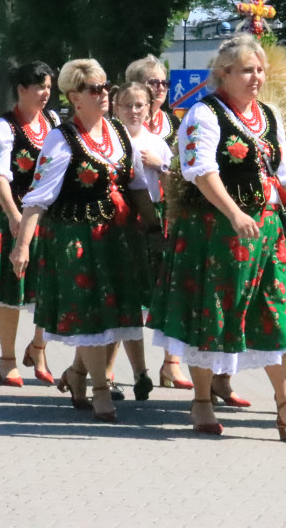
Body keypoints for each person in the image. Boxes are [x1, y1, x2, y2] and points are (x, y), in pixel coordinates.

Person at [147, 34, 286, 440]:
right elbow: (200, 170)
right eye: (247, 70)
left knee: (281, 312)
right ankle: (203, 402)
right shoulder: (204, 114)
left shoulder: (269, 116)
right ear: (223, 74)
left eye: (260, 69)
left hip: (266, 231)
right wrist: (233, 212)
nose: (256, 77)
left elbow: (282, 175)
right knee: (212, 309)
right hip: (214, 231)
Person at [10, 59, 158, 423]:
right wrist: (23, 245)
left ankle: (77, 375)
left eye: (106, 86)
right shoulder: (61, 138)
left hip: (118, 238)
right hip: (77, 240)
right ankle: (100, 389)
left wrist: (155, 230)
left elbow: (137, 186)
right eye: (95, 89)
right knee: (91, 316)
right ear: (75, 97)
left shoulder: (119, 133)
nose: (104, 93)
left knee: (114, 314)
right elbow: (38, 197)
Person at [0, 62, 60, 388]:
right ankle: (7, 358)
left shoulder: (53, 121)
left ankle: (38, 347)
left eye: (48, 87)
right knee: (11, 287)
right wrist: (13, 215)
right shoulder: (4, 126)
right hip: (12, 211)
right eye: (39, 87)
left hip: (46, 213)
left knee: (49, 287)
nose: (45, 93)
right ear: (21, 90)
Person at [124, 55, 192, 389]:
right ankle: (120, 368)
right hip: (131, 214)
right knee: (130, 290)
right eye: (154, 82)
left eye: (164, 82)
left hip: (169, 211)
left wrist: (161, 167)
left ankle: (171, 363)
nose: (161, 88)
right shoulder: (125, 124)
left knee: (173, 287)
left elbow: (187, 172)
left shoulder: (176, 125)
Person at [104, 81, 174, 399]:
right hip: (116, 224)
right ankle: (105, 373)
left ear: (149, 108)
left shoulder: (156, 143)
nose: (134, 111)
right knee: (120, 299)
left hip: (152, 223)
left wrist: (160, 166)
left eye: (140, 105)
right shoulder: (108, 141)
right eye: (127, 105)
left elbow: (179, 182)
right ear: (115, 108)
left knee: (147, 301)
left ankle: (161, 366)